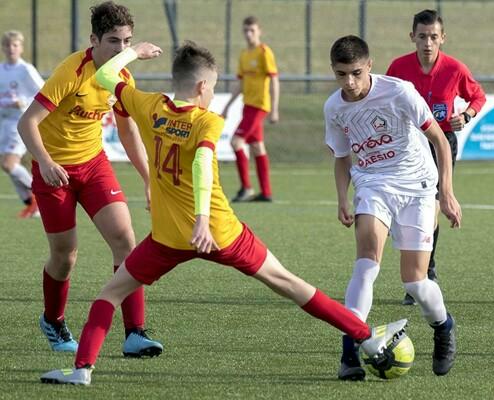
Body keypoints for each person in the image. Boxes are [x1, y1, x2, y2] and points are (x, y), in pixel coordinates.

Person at [39, 40, 407, 385]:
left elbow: (104, 76)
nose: (213, 93)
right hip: (219, 231)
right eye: (213, 86)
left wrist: (133, 52)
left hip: (168, 238)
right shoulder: (207, 120)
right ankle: (368, 340)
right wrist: (202, 219)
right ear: (202, 86)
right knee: (290, 284)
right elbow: (201, 162)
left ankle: (82, 369)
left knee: (110, 294)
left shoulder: (148, 106)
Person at [17, 1, 162, 357]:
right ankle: (53, 319)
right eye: (114, 41)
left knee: (125, 241)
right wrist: (46, 162)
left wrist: (148, 180)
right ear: (94, 40)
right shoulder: (72, 71)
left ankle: (135, 333)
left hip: (94, 165)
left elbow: (128, 134)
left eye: (127, 42)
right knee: (65, 256)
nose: (122, 50)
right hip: (55, 172)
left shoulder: (121, 76)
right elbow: (27, 123)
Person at [324, 35, 461, 379]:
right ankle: (349, 352)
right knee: (366, 264)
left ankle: (443, 327)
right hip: (373, 184)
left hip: (417, 185)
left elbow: (440, 141)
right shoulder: (334, 108)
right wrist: (342, 197)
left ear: (369, 66)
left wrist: (446, 192)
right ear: (334, 72)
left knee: (414, 281)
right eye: (341, 74)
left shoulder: (399, 92)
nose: (350, 82)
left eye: (356, 72)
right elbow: (342, 158)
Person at [386, 9, 486, 306]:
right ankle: (420, 273)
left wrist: (466, 115)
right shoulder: (399, 67)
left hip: (441, 142)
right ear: (412, 37)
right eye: (421, 36)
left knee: (432, 206)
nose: (427, 43)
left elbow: (477, 96)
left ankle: (423, 274)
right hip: (408, 145)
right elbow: (384, 97)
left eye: (433, 37)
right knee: (409, 208)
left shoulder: (455, 69)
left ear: (442, 38)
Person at [221, 15, 279, 203]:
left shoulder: (264, 52)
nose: (248, 34)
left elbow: (274, 80)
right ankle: (266, 192)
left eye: (252, 30)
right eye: (246, 30)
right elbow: (241, 84)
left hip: (259, 106)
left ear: (259, 31)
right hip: (248, 106)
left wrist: (274, 109)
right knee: (256, 146)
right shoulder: (244, 55)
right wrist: (228, 106)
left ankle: (246, 188)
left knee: (236, 142)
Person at [0, 30, 43, 218]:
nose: (11, 49)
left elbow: (43, 91)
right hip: (4, 122)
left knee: (9, 164)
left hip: (19, 121)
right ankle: (31, 203)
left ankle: (39, 198)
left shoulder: (26, 70)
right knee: (7, 165)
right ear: (2, 48)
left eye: (15, 45)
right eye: (7, 45)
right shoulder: (1, 70)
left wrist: (24, 103)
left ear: (21, 48)